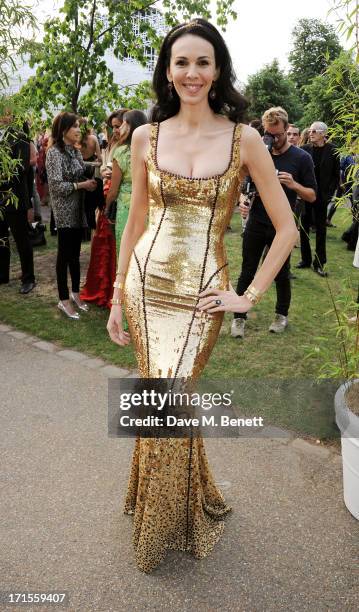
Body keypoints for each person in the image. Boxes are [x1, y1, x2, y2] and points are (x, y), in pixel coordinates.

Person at [106, 19, 298, 573]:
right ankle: (167, 505)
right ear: (168, 71)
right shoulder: (146, 135)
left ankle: (163, 522)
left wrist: (249, 295)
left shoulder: (245, 138)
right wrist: (118, 292)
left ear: (218, 71)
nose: (192, 73)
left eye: (203, 62)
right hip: (146, 286)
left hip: (201, 297)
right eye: (182, 63)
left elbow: (285, 228)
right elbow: (136, 217)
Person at [231, 106, 316, 338]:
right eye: (268, 134)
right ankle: (239, 318)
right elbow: (244, 183)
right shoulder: (260, 152)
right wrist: (243, 200)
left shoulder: (301, 158)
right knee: (247, 270)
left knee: (281, 272)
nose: (272, 140)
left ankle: (281, 315)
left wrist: (294, 185)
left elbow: (312, 195)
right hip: (257, 220)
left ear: (287, 129)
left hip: (283, 226)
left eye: (277, 135)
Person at [46, 112, 97, 319]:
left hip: (78, 209)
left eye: (79, 126)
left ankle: (76, 294)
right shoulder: (54, 153)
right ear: (63, 129)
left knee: (76, 255)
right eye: (74, 126)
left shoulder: (75, 151)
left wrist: (99, 171)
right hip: (64, 210)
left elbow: (80, 171)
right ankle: (63, 299)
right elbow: (56, 186)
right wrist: (81, 185)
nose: (78, 130)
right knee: (64, 256)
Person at [79, 110, 129, 308]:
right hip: (107, 199)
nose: (115, 130)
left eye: (118, 126)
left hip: (118, 204)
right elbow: (105, 167)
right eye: (113, 127)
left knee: (116, 248)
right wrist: (105, 172)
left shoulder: (131, 147)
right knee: (103, 248)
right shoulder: (113, 144)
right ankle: (103, 289)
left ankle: (114, 293)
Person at [297, 121, 340, 277]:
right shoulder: (304, 150)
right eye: (310, 131)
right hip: (305, 194)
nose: (311, 133)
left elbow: (336, 176)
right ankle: (305, 259)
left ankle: (319, 263)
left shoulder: (333, 150)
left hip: (322, 197)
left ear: (323, 133)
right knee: (303, 227)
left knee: (321, 230)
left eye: (314, 131)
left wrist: (329, 194)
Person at [0, 114, 36, 294]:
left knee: (21, 239)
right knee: (1, 238)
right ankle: (2, 275)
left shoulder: (19, 136)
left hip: (14, 196)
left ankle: (29, 278)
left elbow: (21, 168)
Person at [105, 110, 147, 254]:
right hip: (147, 208)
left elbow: (113, 190)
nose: (119, 128)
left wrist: (106, 207)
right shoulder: (151, 150)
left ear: (129, 126)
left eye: (123, 124)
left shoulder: (121, 152)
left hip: (126, 210)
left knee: (126, 253)